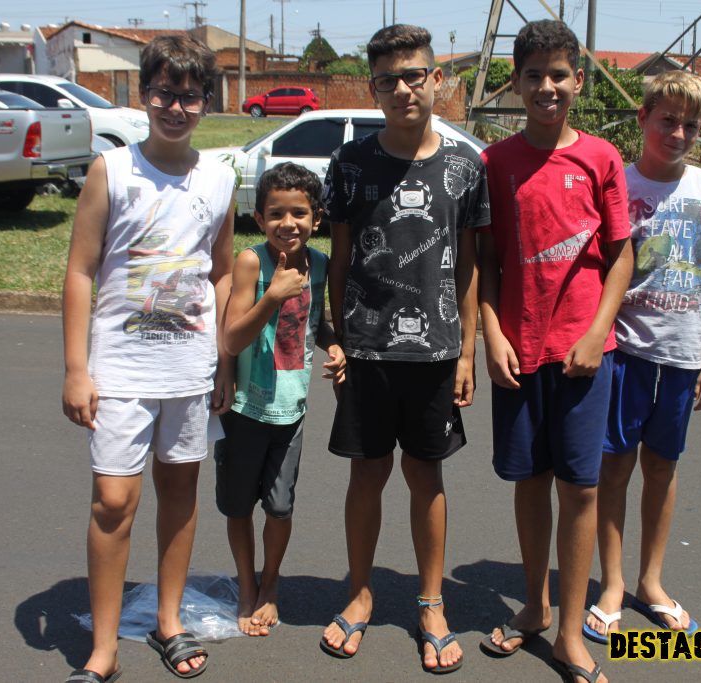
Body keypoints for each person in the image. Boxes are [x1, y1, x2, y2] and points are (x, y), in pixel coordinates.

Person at [60, 34, 234, 683]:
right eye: (164, 93)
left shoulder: (219, 178)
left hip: (189, 367)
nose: (175, 107)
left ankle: (168, 619)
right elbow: (80, 271)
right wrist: (76, 369)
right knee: (113, 500)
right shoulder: (112, 171)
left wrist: (224, 361)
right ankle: (103, 649)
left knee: (181, 493)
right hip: (120, 368)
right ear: (144, 95)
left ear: (206, 102)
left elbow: (221, 273)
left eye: (189, 96)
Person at [318, 23, 490, 675]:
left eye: (414, 75)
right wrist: (337, 337)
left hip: (436, 354)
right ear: (373, 88)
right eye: (388, 80)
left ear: (436, 79)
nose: (402, 89)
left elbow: (469, 267)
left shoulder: (464, 167)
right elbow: (338, 261)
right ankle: (359, 593)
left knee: (426, 476)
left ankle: (431, 603)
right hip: (366, 351)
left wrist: (467, 352)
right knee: (366, 475)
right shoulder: (350, 164)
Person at [477, 19, 633, 683]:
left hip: (584, 355)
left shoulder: (601, 158)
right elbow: (486, 262)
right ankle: (536, 606)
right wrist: (490, 333)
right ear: (515, 82)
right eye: (534, 74)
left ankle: (570, 633)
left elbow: (621, 256)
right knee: (529, 482)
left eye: (559, 74)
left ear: (579, 80)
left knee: (581, 488)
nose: (548, 86)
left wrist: (597, 332)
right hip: (518, 353)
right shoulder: (495, 163)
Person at [583, 70, 701, 645]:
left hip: (684, 355)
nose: (679, 133)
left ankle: (651, 581)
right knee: (614, 468)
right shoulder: (617, 184)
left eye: (691, 125)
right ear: (643, 117)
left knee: (663, 468)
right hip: (625, 351)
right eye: (668, 120)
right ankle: (613, 583)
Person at [216, 162, 346, 637]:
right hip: (245, 410)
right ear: (259, 218)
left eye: (299, 213)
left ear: (317, 218)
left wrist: (334, 344)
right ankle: (246, 585)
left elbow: (311, 323)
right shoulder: (251, 262)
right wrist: (271, 296)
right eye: (275, 214)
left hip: (291, 411)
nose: (287, 223)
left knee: (279, 507)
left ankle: (270, 583)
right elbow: (232, 338)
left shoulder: (321, 264)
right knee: (238, 506)